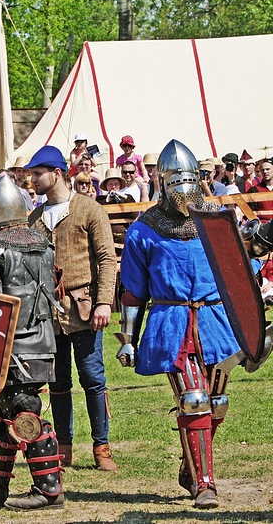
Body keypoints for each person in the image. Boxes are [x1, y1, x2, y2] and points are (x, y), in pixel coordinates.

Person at [119, 139, 240, 509]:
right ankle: (204, 483)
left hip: (217, 320)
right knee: (194, 399)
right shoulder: (145, 229)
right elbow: (133, 291)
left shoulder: (217, 219)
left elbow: (239, 271)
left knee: (216, 403)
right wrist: (127, 338)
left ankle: (191, 467)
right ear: (162, 183)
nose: (184, 191)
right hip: (172, 322)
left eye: (189, 181)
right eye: (176, 183)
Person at [0, 174, 64, 510]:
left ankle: (50, 491)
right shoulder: (42, 243)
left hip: (8, 347)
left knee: (25, 412)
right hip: (43, 341)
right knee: (1, 415)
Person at [26, 146, 119, 471]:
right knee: (58, 381)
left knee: (93, 377)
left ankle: (101, 447)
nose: (32, 179)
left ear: (57, 173)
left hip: (84, 306)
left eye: (38, 173)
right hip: (47, 312)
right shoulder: (35, 218)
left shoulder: (90, 210)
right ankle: (63, 447)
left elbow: (107, 259)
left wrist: (104, 301)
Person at [248, 158, 273, 223]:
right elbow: (249, 212)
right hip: (263, 226)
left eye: (268, 169)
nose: (265, 172)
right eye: (263, 170)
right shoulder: (254, 190)